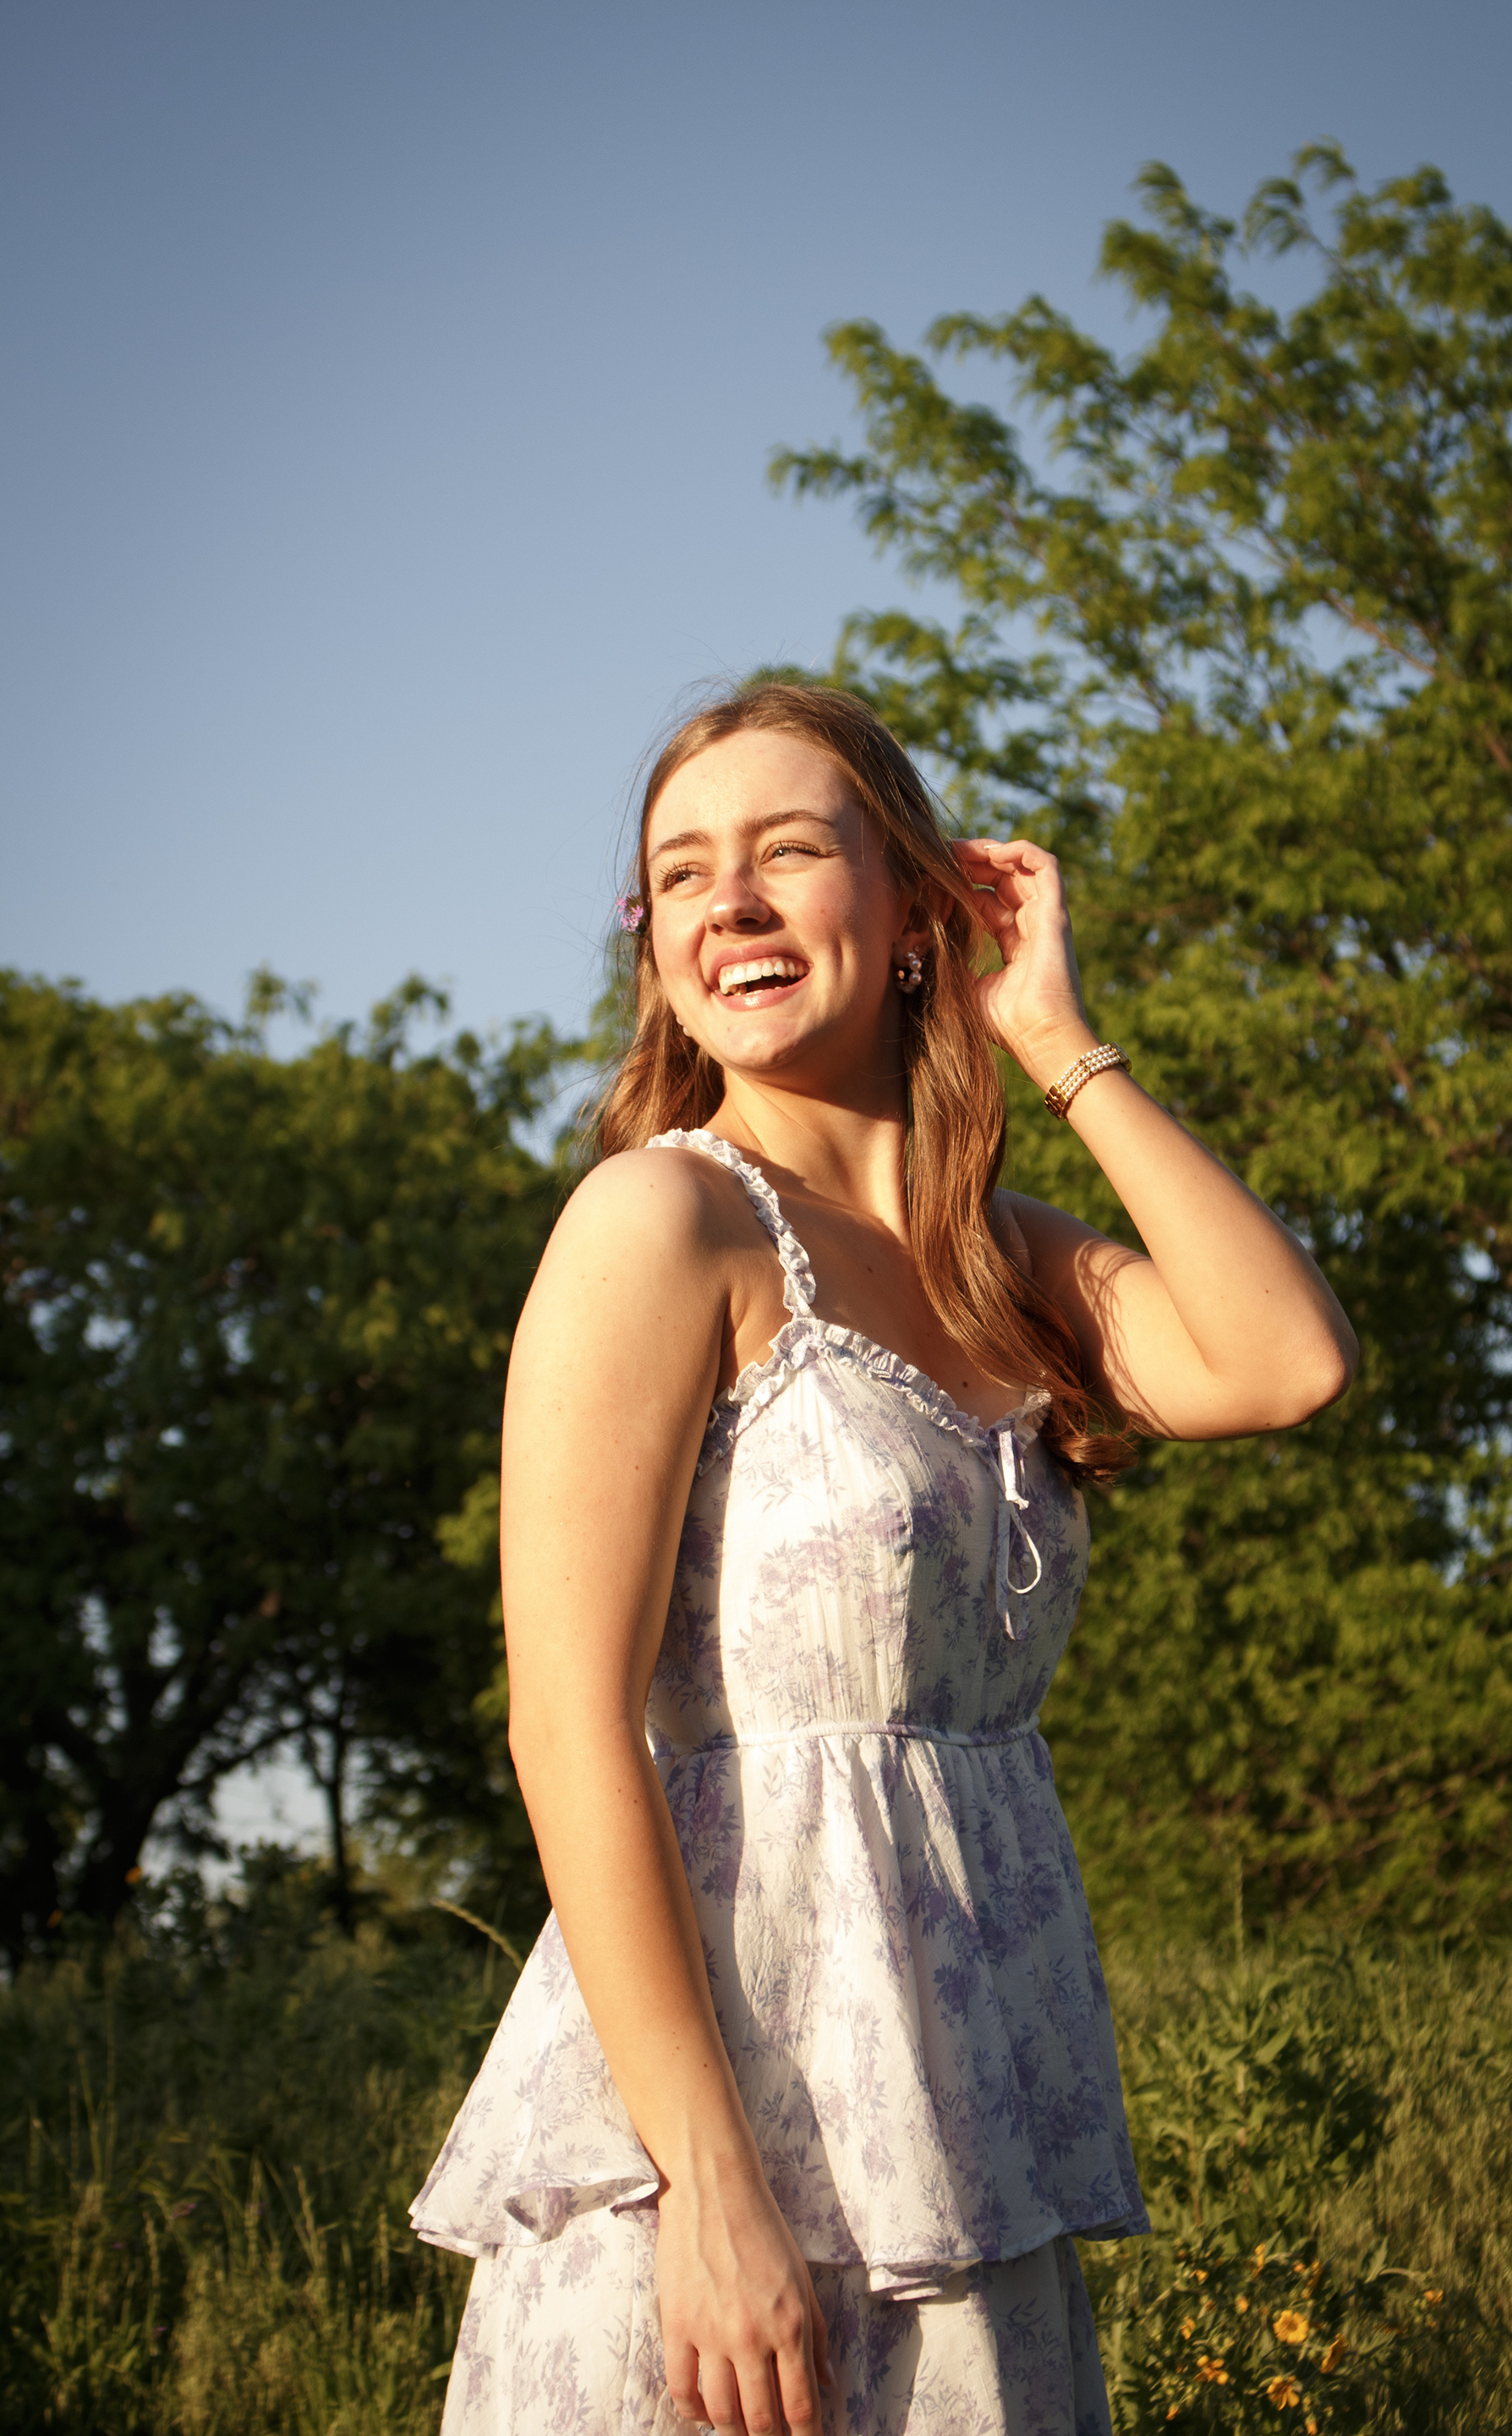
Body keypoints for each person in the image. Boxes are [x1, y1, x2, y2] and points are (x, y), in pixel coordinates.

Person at [411, 683, 1357, 2435]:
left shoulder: (1007, 1261)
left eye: (788, 851)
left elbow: (1284, 1361)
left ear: (921, 910)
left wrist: (1057, 1041)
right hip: (713, 2176)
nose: (730, 905)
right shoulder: (663, 1221)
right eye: (681, 873)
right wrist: (708, 2192)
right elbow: (569, 1729)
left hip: (956, 2137)